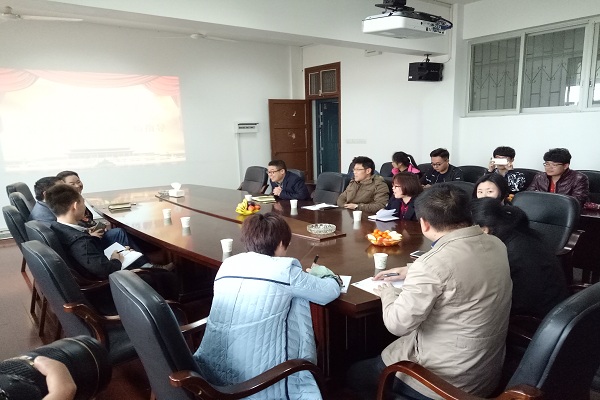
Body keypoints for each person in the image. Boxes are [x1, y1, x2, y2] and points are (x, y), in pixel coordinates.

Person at [348, 184, 512, 399]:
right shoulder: (496, 244)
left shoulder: (432, 264)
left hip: (445, 382)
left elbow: (397, 324)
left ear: (424, 224)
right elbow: (464, 268)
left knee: (355, 374)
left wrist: (388, 293)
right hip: (485, 373)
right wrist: (411, 269)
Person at [193, 212, 341, 400]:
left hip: (211, 375)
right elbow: (328, 292)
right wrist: (327, 275)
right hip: (257, 382)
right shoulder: (284, 270)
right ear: (281, 243)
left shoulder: (228, 265)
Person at [45, 184, 173, 280]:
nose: (84, 206)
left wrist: (121, 253)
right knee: (166, 276)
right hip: (109, 284)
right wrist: (116, 259)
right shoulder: (80, 242)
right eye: (83, 203)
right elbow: (105, 271)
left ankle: (147, 266)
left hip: (98, 266)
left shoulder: (56, 227)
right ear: (75, 206)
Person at [470, 198, 569, 318]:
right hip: (551, 309)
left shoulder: (510, 250)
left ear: (484, 229)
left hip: (535, 318)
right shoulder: (514, 233)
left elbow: (520, 302)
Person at [56, 170, 133, 248]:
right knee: (119, 232)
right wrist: (90, 235)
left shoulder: (78, 199)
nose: (77, 185)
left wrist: (91, 229)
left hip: (93, 234)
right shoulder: (67, 205)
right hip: (88, 242)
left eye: (78, 182)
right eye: (72, 184)